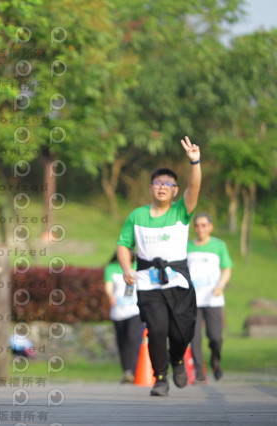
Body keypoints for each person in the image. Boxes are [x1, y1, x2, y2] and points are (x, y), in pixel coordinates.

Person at [116, 136, 201, 396]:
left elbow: (194, 187)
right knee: (156, 330)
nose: (162, 187)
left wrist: (194, 162)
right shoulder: (137, 215)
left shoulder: (181, 211)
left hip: (177, 281)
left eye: (168, 184)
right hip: (147, 282)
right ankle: (160, 379)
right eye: (157, 183)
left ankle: (177, 359)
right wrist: (126, 268)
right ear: (151, 187)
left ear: (175, 190)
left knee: (181, 333)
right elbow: (123, 245)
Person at [187, 213, 232, 383]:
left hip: (213, 299)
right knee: (194, 339)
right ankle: (199, 373)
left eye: (204, 225)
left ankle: (215, 361)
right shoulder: (187, 247)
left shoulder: (219, 246)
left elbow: (227, 268)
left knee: (216, 338)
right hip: (193, 301)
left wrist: (221, 285)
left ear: (210, 227)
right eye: (197, 225)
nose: (200, 228)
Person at [104, 250, 142, 384]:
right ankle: (127, 371)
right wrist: (110, 296)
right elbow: (108, 286)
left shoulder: (138, 266)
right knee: (122, 341)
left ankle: (135, 369)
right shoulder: (111, 268)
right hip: (118, 311)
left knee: (132, 338)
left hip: (135, 310)